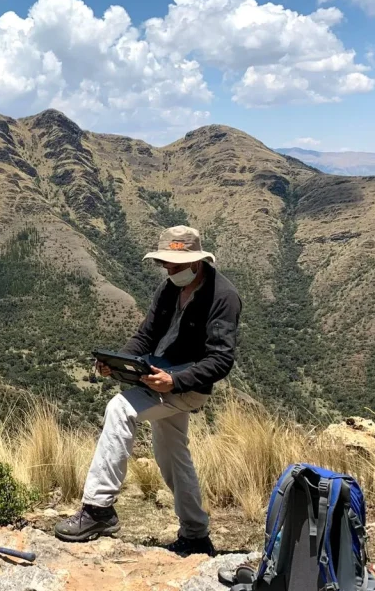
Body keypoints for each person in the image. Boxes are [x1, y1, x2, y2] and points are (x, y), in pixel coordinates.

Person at [54, 225, 241, 556]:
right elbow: (146, 335)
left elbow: (221, 360)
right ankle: (196, 534)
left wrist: (175, 382)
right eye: (165, 263)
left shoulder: (223, 297)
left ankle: (98, 508)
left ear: (196, 261)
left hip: (186, 386)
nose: (168, 270)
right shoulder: (170, 288)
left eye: (175, 264)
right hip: (159, 376)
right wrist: (119, 363)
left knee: (119, 409)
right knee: (172, 457)